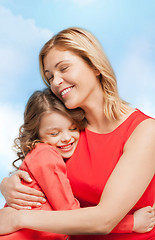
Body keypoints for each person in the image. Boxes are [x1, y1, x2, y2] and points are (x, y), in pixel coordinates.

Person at [0, 27, 155, 239]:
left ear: (95, 66)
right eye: (50, 77)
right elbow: (40, 172)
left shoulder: (144, 131)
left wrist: (17, 218)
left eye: (64, 68)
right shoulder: (67, 133)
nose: (55, 82)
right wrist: (9, 185)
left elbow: (104, 220)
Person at [1, 88, 151, 239]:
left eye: (73, 128)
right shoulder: (46, 157)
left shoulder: (43, 155)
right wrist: (132, 223)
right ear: (36, 134)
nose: (66, 137)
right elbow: (70, 214)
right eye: (54, 133)